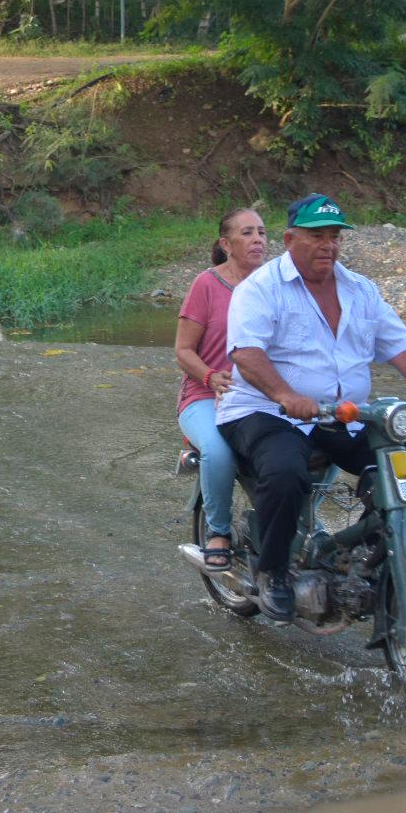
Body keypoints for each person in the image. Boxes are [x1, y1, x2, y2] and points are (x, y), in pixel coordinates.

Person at [216, 193, 406, 622]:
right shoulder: (261, 288)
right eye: (316, 236)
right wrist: (284, 394)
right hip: (263, 410)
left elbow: (399, 344)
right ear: (291, 238)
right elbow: (246, 353)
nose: (327, 245)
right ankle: (273, 571)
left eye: (334, 236)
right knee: (285, 472)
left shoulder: (360, 289)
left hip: (343, 415)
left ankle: (365, 554)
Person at [174, 207, 269, 572]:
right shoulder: (207, 285)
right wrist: (211, 376)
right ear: (226, 244)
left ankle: (304, 522)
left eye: (261, 232)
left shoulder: (275, 285)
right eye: (247, 233)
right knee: (219, 449)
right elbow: (183, 351)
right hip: (205, 395)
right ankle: (218, 531)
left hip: (262, 396)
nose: (258, 239)